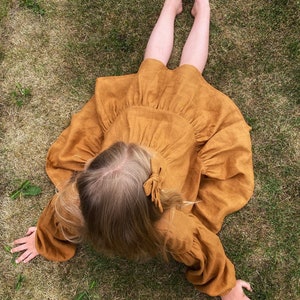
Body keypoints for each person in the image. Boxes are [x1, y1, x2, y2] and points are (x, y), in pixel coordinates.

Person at [11, 0, 254, 298]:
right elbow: (205, 252)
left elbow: (205, 252)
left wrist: (226, 287)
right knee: (181, 70)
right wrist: (44, 239)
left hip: (156, 117)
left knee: (168, 67)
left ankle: (188, 10)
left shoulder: (82, 204)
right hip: (149, 119)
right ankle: (193, 12)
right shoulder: (166, 225)